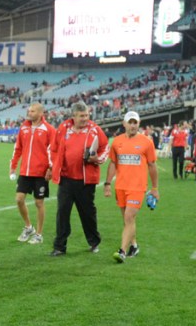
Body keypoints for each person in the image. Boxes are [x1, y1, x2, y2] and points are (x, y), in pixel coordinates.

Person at [49, 101, 107, 256]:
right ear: (73, 116)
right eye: (81, 116)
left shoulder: (95, 130)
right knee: (62, 213)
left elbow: (104, 148)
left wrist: (97, 159)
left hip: (86, 181)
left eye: (87, 115)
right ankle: (60, 247)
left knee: (87, 213)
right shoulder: (63, 128)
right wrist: (54, 166)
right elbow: (53, 149)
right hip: (66, 179)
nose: (85, 118)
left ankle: (94, 242)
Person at [104, 111, 159, 263]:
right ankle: (134, 245)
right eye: (130, 122)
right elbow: (113, 163)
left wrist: (154, 188)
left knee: (129, 217)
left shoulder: (146, 142)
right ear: (124, 124)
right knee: (127, 220)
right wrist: (108, 183)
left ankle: (122, 251)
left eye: (135, 122)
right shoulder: (116, 141)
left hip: (137, 187)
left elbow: (152, 165)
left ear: (139, 124)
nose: (133, 125)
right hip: (121, 186)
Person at [9, 103, 55, 245]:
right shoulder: (24, 127)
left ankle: (39, 234)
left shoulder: (49, 130)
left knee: (38, 202)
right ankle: (29, 227)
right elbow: (18, 149)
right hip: (25, 171)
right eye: (29, 110)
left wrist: (51, 168)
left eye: (33, 111)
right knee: (19, 199)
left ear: (41, 113)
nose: (29, 113)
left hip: (41, 173)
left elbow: (54, 151)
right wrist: (13, 167)